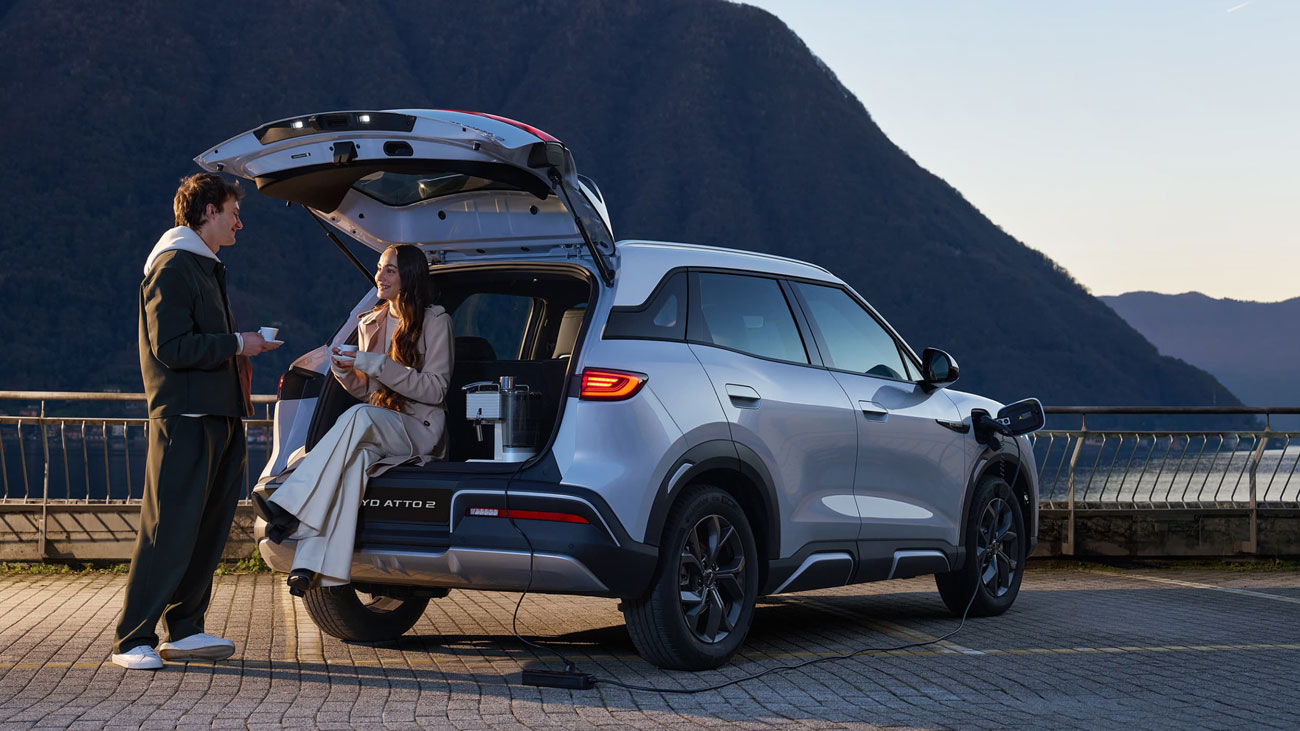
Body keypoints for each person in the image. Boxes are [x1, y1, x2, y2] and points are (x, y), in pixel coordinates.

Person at [111, 173, 280, 671]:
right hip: (185, 418)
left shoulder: (203, 265)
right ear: (208, 211)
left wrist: (239, 348)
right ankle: (131, 639)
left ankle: (184, 629)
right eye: (233, 213)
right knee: (167, 529)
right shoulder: (172, 266)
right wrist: (238, 343)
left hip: (220, 414)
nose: (239, 223)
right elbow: (171, 347)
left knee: (207, 529)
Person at [254, 243, 453, 596]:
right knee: (354, 463)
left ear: (409, 276)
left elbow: (436, 390)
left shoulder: (436, 320)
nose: (379, 276)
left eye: (390, 270)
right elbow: (368, 392)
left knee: (360, 416)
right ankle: (308, 567)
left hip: (418, 430)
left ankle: (290, 503)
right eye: (379, 268)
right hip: (380, 424)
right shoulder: (370, 322)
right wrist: (344, 371)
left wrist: (372, 363)